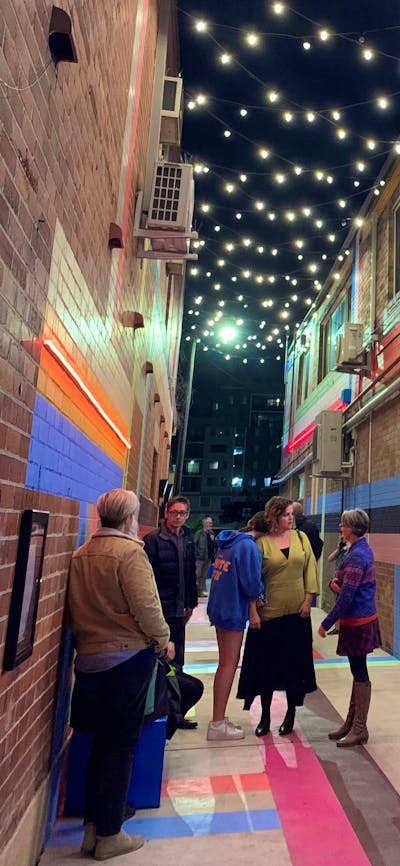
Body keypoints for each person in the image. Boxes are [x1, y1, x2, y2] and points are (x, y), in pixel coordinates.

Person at [68, 488, 174, 861]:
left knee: (99, 743)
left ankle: (93, 827)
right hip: (126, 659)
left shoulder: (81, 554)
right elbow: (146, 606)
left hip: (88, 660)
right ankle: (111, 834)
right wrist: (163, 640)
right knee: (121, 745)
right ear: (129, 520)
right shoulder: (131, 553)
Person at [237, 496, 319, 737]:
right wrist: (253, 609)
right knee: (267, 669)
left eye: (292, 513)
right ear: (274, 517)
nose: (291, 518)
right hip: (268, 615)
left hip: (297, 614)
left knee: (294, 667)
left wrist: (308, 600)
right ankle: (265, 716)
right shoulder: (261, 544)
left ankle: (291, 714)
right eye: (286, 514)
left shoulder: (301, 539)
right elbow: (253, 579)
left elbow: (310, 569)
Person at [318, 508, 381, 747]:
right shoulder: (359, 549)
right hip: (360, 618)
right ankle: (352, 723)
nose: (341, 529)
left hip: (358, 621)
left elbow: (347, 597)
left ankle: (359, 728)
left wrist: (326, 622)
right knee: (358, 671)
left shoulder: (357, 555)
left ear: (352, 529)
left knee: (360, 672)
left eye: (343, 525)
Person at [206, 512, 265, 741]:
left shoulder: (230, 541)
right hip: (232, 609)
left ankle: (218, 718)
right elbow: (251, 583)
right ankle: (217, 723)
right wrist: (259, 597)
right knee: (229, 664)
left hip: (219, 606)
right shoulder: (248, 547)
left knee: (224, 663)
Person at [144, 495, 197, 677]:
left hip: (180, 608)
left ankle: (175, 698)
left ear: (187, 515)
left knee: (177, 657)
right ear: (166, 514)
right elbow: (147, 576)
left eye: (182, 513)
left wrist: (191, 603)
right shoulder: (153, 540)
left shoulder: (188, 539)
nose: (178, 517)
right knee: (160, 655)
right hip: (160, 607)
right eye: (174, 512)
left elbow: (191, 574)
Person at [326, 532, 349, 635]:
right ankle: (337, 628)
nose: (341, 538)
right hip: (338, 579)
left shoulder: (352, 548)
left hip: (347, 580)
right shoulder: (340, 549)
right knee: (336, 604)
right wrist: (339, 548)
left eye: (343, 536)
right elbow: (329, 558)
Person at [194, 516, 217, 598]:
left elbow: (214, 546)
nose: (209, 524)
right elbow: (194, 544)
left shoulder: (212, 534)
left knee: (204, 575)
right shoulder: (199, 533)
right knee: (197, 574)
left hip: (208, 558)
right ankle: (194, 591)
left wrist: (213, 540)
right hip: (200, 558)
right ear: (204, 523)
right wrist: (196, 554)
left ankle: (201, 591)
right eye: (208, 522)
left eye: (210, 523)